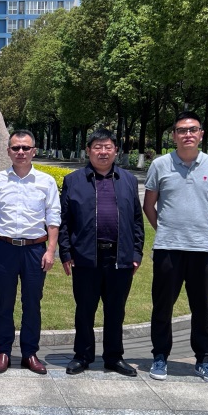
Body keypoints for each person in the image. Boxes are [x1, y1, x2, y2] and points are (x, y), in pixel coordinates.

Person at [143, 111, 208, 384]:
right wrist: (166, 230)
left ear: (201, 134)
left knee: (202, 308)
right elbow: (149, 205)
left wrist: (200, 230)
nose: (187, 134)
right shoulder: (160, 165)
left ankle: (203, 359)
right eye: (182, 130)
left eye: (192, 130)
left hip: (204, 250)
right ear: (174, 136)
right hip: (168, 249)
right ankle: (160, 356)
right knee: (162, 307)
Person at [58, 128, 144, 377]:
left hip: (120, 258)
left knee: (116, 311)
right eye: (97, 147)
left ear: (115, 150)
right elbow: (64, 221)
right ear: (88, 150)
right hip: (85, 257)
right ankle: (82, 356)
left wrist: (136, 253)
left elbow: (137, 220)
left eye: (108, 147)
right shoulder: (74, 181)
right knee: (85, 310)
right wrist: (66, 253)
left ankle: (114, 358)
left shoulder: (128, 180)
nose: (103, 152)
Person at [0, 130, 60, 375]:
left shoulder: (46, 182)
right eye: (15, 148)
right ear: (8, 151)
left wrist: (51, 250)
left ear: (34, 151)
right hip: (5, 248)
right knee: (3, 302)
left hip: (35, 250)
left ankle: (30, 353)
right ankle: (3, 351)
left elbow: (53, 218)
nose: (20, 152)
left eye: (25, 148)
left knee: (32, 303)